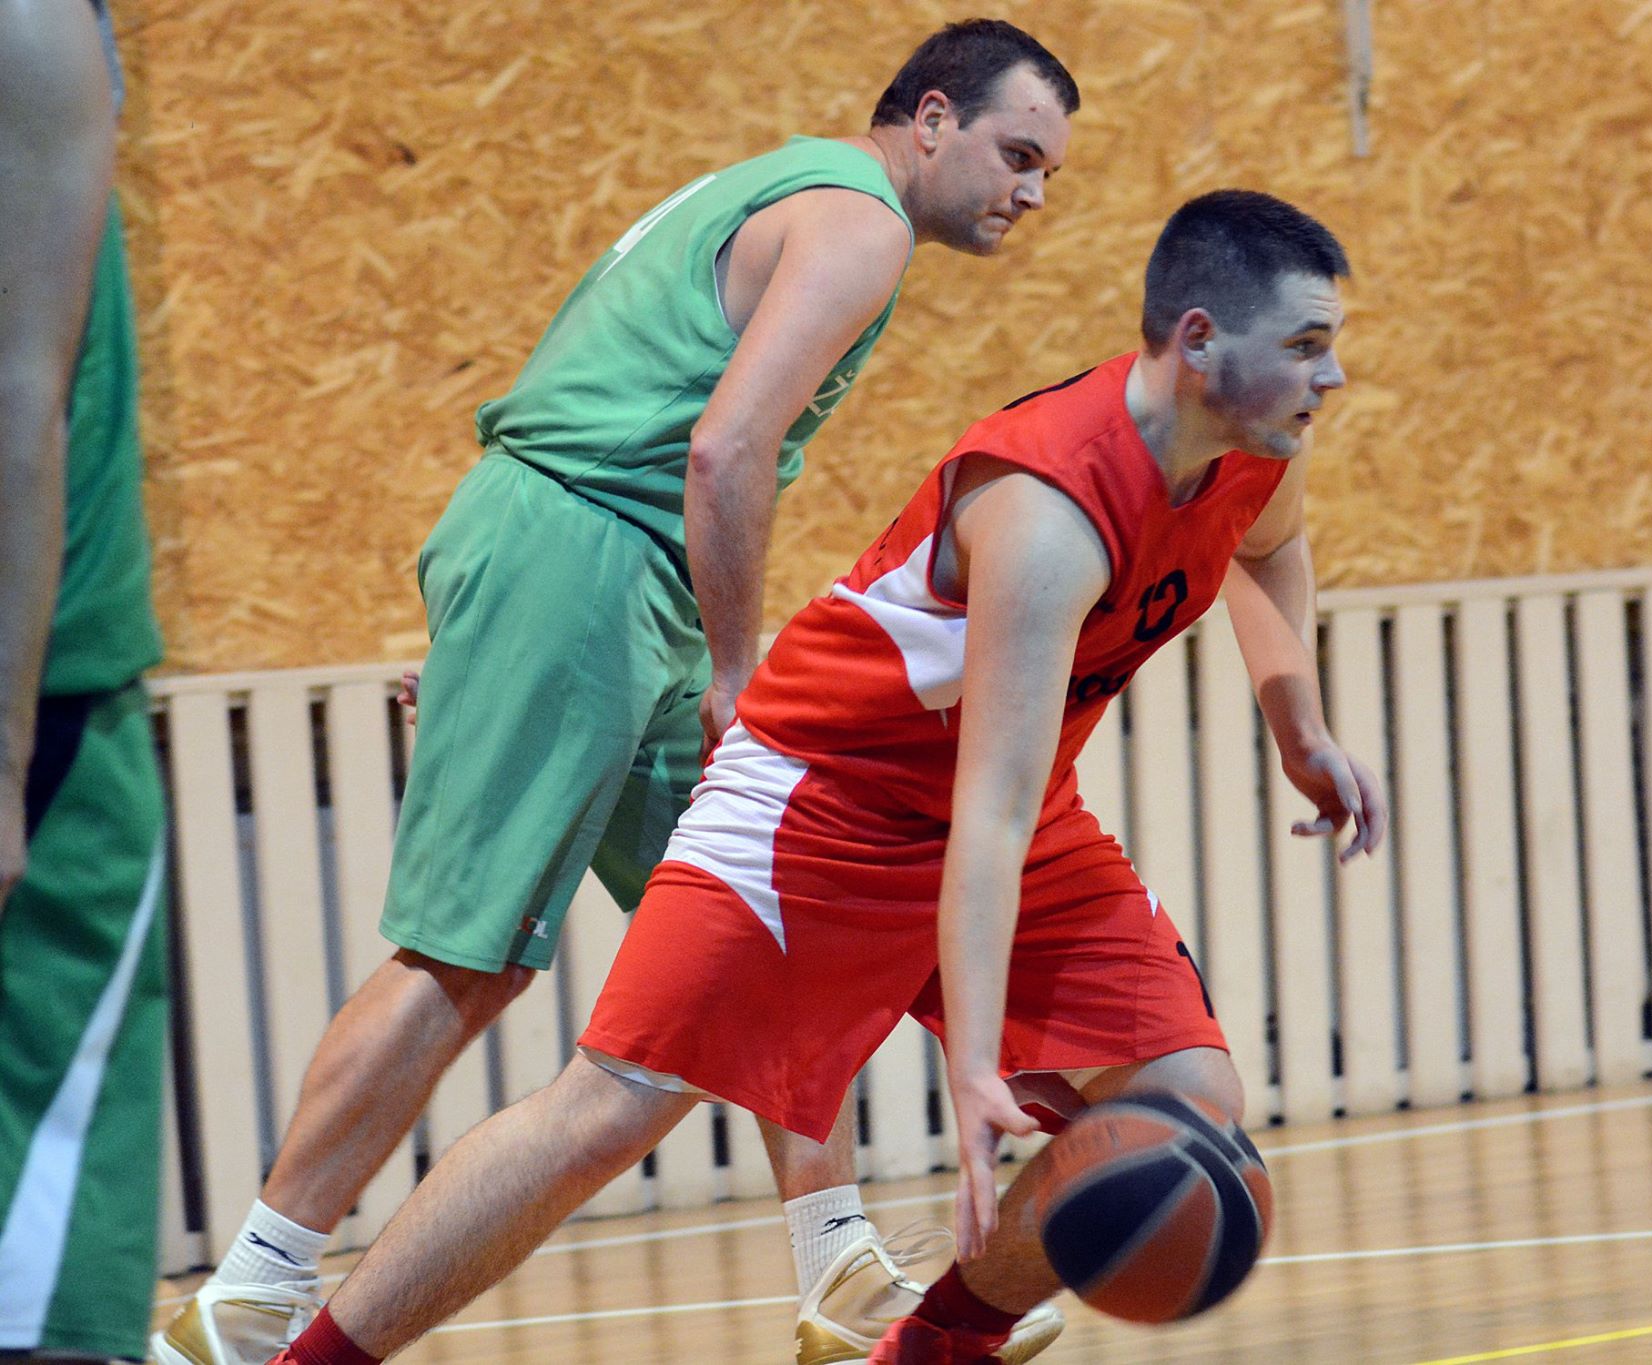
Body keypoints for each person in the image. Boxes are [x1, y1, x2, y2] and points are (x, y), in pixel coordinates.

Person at [259, 189, 1387, 1365]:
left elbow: (1270, 550)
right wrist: (973, 1070)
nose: (1332, 375)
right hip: (820, 799)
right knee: (614, 1107)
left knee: (1187, 1104)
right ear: (1198, 341)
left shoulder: (1254, 448)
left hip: (1000, 813)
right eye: (1306, 345)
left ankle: (933, 1349)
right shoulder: (1049, 507)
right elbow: (989, 815)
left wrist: (1297, 726)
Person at [153, 20, 1078, 1365]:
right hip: (584, 559)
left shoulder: (782, 185)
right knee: (466, 958)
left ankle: (837, 1265)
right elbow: (725, 448)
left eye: (1048, 172)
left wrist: (532, 614)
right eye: (1017, 154)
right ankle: (251, 1292)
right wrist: (725, 668)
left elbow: (634, 400)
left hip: (598, 573)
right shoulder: (860, 220)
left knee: (760, 922)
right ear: (931, 118)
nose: (1032, 192)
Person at [0, 1, 171, 1361]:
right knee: (42, 1301)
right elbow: (20, 403)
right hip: (47, 689)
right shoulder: (36, 27)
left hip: (52, 672)